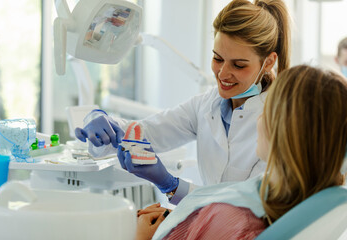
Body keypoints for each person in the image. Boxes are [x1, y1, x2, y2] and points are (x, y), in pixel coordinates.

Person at [75, 0, 291, 204]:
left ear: (268, 62)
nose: (223, 73)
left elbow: (246, 205)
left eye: (239, 65)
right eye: (217, 58)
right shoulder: (207, 104)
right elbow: (150, 131)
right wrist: (106, 128)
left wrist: (171, 185)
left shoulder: (281, 121)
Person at [131, 65, 347, 240]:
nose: (259, 119)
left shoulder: (235, 220)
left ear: (285, 133)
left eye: (267, 109)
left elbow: (226, 222)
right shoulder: (302, 197)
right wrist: (185, 220)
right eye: (218, 58)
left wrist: (143, 237)